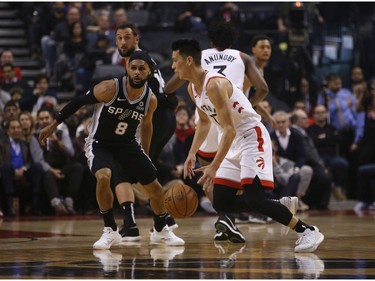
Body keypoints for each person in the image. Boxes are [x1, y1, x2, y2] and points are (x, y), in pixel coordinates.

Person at [172, 38, 324, 252]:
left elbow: (230, 128)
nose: (172, 66)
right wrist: (191, 154)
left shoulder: (214, 84)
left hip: (252, 137)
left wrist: (214, 166)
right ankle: (280, 204)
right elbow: (205, 122)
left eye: (175, 61)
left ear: (188, 61)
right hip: (233, 141)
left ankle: (308, 231)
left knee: (255, 200)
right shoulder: (192, 88)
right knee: (221, 202)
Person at [39, 51, 184, 250]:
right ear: (127, 69)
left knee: (156, 189)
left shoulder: (150, 99)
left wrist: (146, 155)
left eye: (142, 68)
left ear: (149, 72)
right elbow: (79, 101)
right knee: (104, 176)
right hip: (100, 142)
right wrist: (53, 124)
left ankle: (160, 230)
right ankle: (110, 229)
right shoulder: (110, 88)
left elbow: (148, 126)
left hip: (127, 144)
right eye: (133, 67)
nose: (136, 72)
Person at [113, 22, 179, 241]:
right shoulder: (141, 59)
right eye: (120, 38)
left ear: (136, 38)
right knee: (144, 169)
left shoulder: (137, 61)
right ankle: (164, 219)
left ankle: (132, 225)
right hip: (162, 117)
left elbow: (143, 97)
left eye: (127, 38)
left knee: (123, 170)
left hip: (155, 118)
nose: (123, 42)